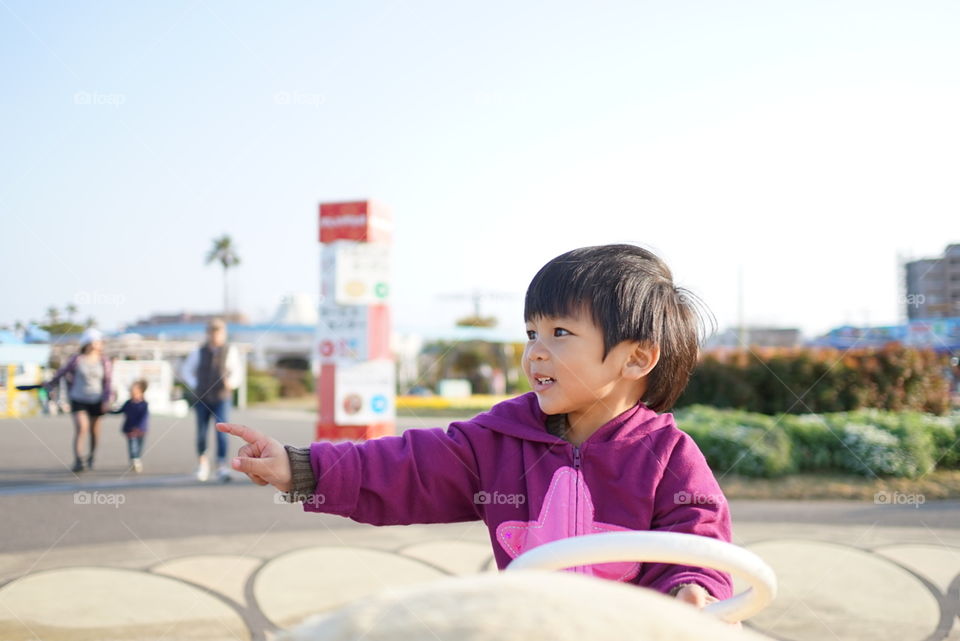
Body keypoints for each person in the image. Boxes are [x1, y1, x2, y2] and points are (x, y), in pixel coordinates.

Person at [217, 245, 735, 615]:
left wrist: (692, 587)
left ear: (637, 357)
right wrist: (304, 468)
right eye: (531, 332)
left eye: (560, 333)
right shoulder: (499, 440)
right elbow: (411, 467)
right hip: (532, 628)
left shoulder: (667, 455)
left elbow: (696, 538)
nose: (535, 351)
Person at [181, 318, 242, 482]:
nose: (215, 335)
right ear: (208, 334)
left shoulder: (230, 351)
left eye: (219, 332)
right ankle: (202, 464)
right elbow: (186, 369)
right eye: (212, 332)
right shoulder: (198, 351)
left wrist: (231, 383)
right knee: (201, 432)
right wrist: (195, 384)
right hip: (201, 397)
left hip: (221, 397)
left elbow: (237, 372)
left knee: (222, 432)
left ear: (224, 333)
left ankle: (222, 466)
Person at [45, 328, 113, 472]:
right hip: (78, 398)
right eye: (97, 341)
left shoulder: (104, 361)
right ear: (89, 342)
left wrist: (107, 400)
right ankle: (78, 459)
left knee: (94, 431)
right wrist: (51, 383)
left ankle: (91, 456)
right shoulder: (77, 359)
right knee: (82, 428)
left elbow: (108, 382)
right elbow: (62, 372)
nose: (100, 344)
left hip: (97, 399)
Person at [111, 379, 150, 473]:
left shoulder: (144, 404)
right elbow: (119, 411)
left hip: (140, 430)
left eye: (134, 390)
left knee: (139, 446)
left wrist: (139, 427)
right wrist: (108, 411)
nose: (132, 392)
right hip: (130, 429)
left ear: (141, 391)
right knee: (132, 446)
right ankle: (134, 460)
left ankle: (137, 459)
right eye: (131, 390)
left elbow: (144, 418)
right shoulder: (128, 403)